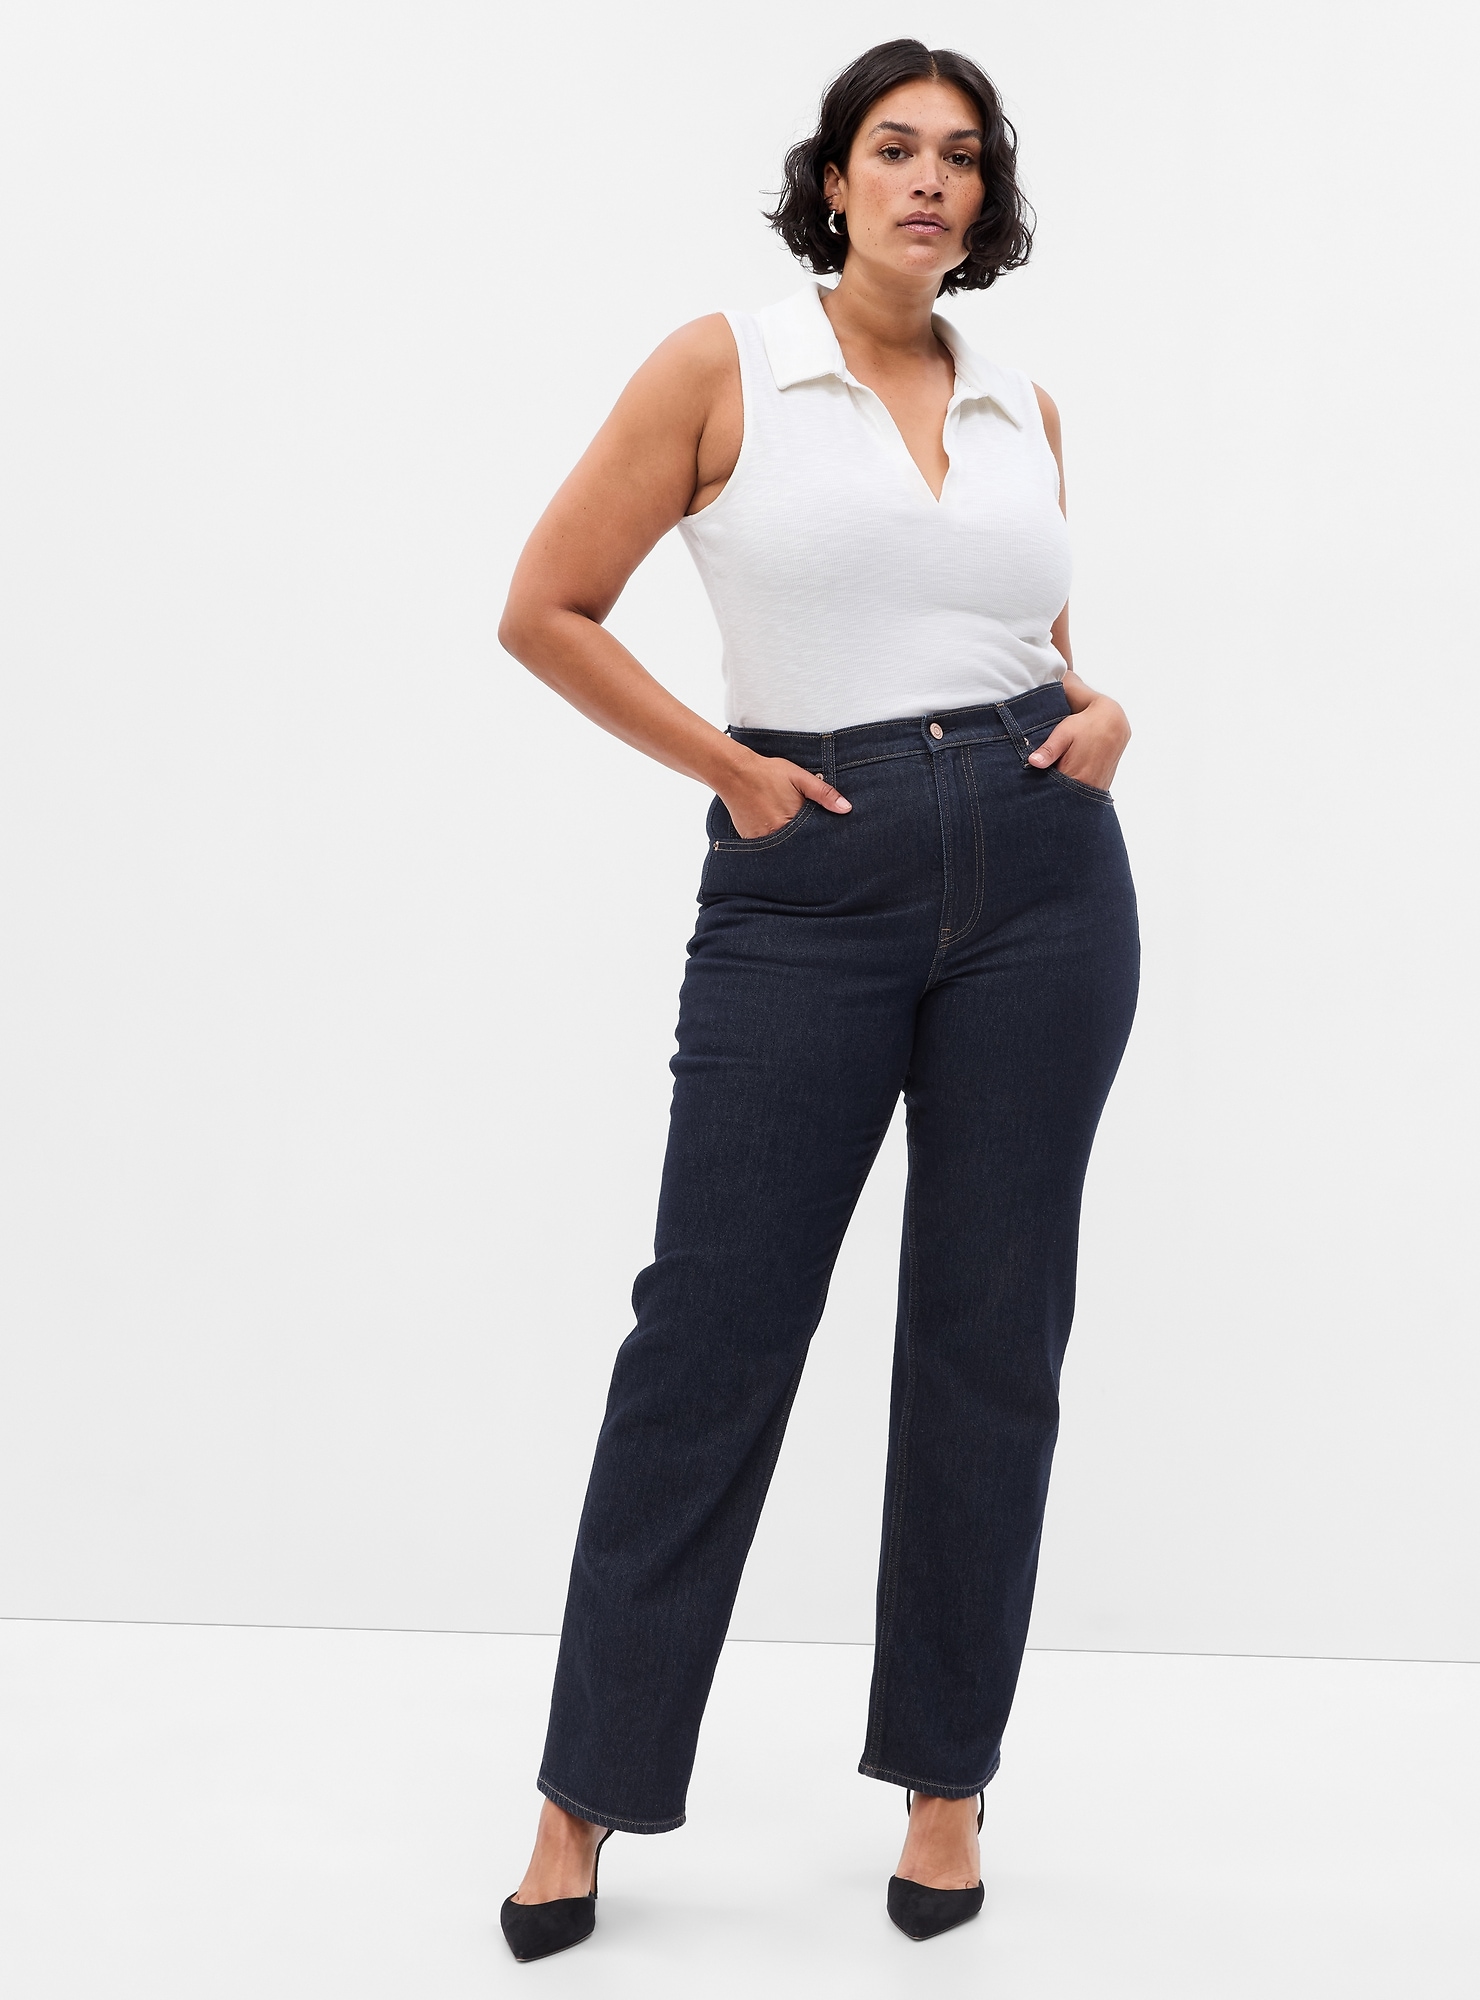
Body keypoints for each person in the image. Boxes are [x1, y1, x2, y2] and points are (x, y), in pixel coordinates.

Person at [496, 37, 1139, 1959]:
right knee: (708, 1336)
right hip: (809, 877)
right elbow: (544, 606)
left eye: (963, 156)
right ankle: (583, 1796)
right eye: (895, 147)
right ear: (836, 179)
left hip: (1043, 877)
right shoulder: (725, 368)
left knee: (990, 1339)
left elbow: (1026, 638)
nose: (930, 180)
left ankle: (946, 1784)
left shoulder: (1021, 397)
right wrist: (731, 769)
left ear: (985, 197)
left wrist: (1103, 710)